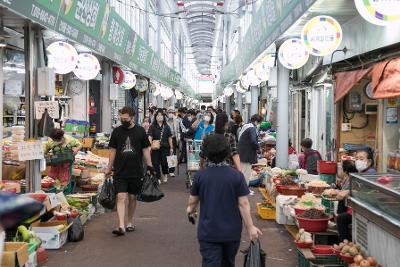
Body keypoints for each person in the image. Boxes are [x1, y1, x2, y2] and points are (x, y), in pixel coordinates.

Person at [187, 134, 262, 267]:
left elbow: (193, 201)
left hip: (208, 233)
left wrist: (190, 211)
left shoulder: (200, 176)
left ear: (205, 154)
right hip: (231, 233)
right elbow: (243, 203)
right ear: (227, 153)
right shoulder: (236, 176)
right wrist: (250, 227)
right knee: (228, 263)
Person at [105, 106, 154, 236]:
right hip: (120, 170)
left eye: (125, 118)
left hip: (136, 170)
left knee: (132, 197)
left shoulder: (140, 131)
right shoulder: (116, 132)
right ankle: (121, 225)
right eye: (121, 118)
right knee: (120, 196)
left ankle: (130, 221)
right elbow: (113, 151)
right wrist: (109, 167)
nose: (123, 120)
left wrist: (150, 166)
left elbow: (145, 150)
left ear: (132, 118)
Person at [148, 109, 174, 183]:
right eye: (158, 115)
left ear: (163, 117)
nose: (159, 117)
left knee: (164, 162)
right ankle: (158, 177)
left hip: (165, 147)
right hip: (155, 147)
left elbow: (169, 137)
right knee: (155, 163)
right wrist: (149, 146)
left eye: (161, 115)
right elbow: (150, 136)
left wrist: (171, 147)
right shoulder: (152, 126)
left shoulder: (166, 126)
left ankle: (165, 174)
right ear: (155, 117)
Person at [238, 114, 262, 192]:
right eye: (259, 123)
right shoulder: (252, 128)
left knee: (242, 172)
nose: (259, 125)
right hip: (247, 154)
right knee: (246, 172)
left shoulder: (246, 126)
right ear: (256, 121)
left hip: (242, 152)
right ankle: (244, 190)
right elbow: (253, 140)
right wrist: (258, 148)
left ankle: (242, 189)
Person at [166, 107, 179, 177]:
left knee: (172, 154)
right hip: (165, 139)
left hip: (173, 138)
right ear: (167, 113)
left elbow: (178, 130)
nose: (170, 113)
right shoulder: (165, 121)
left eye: (172, 112)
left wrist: (178, 138)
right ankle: (166, 169)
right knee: (166, 154)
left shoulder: (176, 120)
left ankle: (171, 171)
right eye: (169, 112)